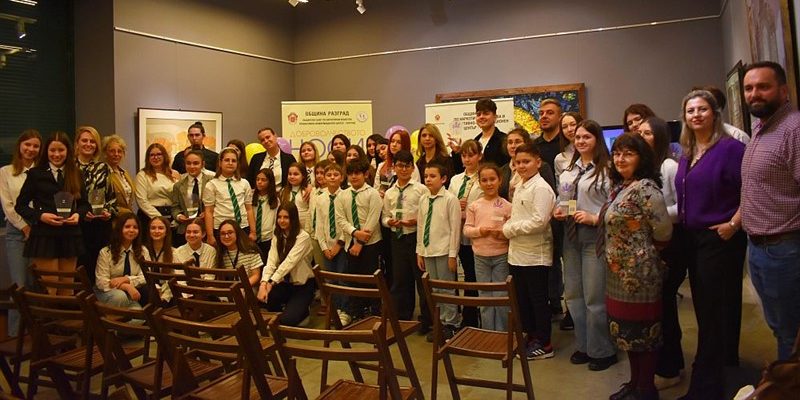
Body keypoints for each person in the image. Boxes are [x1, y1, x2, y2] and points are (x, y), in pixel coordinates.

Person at [675, 90, 746, 400]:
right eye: (691, 110)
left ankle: (707, 389)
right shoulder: (688, 151)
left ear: (715, 113)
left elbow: (751, 189)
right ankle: (709, 379)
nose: (696, 115)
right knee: (705, 313)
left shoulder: (731, 149)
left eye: (702, 109)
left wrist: (734, 224)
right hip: (693, 239)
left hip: (719, 238)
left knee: (715, 314)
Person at [603, 134, 672, 400]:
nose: (620, 159)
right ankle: (634, 383)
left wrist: (639, 255)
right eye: (617, 153)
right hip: (617, 274)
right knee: (627, 333)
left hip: (640, 275)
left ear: (641, 158)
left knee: (644, 334)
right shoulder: (620, 186)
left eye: (628, 154)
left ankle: (646, 389)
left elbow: (663, 232)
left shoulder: (646, 188)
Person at [741, 61, 800, 362]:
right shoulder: (761, 129)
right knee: (780, 327)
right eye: (749, 88)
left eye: (763, 87)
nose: (754, 94)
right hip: (759, 248)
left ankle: (789, 382)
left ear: (783, 91)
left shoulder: (794, 130)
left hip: (785, 249)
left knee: (790, 332)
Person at [554, 120, 616, 371]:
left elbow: (615, 204)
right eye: (577, 137)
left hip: (594, 236)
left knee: (594, 298)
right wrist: (559, 209)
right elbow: (563, 197)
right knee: (573, 296)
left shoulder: (608, 169)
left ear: (597, 140)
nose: (580, 141)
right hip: (570, 237)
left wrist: (595, 217)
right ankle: (584, 345)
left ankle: (602, 350)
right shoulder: (569, 169)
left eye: (586, 137)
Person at [638, 116, 684, 389]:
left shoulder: (669, 166)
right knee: (654, 310)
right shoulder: (644, 168)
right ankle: (661, 364)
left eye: (648, 133)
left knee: (666, 307)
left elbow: (682, 206)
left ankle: (670, 369)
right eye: (639, 132)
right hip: (649, 244)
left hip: (669, 244)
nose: (642, 136)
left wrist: (655, 215)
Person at [16, 131, 89, 295]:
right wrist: (41, 216)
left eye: (61, 150)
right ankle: (48, 313)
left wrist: (78, 215)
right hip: (44, 236)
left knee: (67, 288)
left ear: (68, 151)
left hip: (70, 235)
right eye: (52, 150)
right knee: (51, 287)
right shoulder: (35, 174)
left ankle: (65, 313)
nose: (56, 154)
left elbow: (85, 205)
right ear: (46, 151)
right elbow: (20, 206)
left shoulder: (76, 173)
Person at [502, 144, 555, 360]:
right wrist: (510, 224)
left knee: (538, 300)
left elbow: (539, 222)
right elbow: (518, 215)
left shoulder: (541, 188)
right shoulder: (521, 185)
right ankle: (532, 336)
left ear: (538, 162)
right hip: (517, 254)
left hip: (535, 256)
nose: (522, 166)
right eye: (518, 162)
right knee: (523, 299)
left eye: (526, 161)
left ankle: (545, 343)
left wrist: (510, 228)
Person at [0, 129, 41, 335]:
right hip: (16, 232)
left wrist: (35, 227)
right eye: (28, 145)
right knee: (20, 284)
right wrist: (24, 227)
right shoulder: (6, 172)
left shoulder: (41, 172)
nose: (31, 149)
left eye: (35, 146)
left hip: (40, 231)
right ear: (20, 146)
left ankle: (37, 336)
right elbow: (8, 205)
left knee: (36, 284)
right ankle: (16, 336)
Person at [463, 163, 512, 331]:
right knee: (484, 295)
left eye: (492, 179)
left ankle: (503, 333)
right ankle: (488, 331)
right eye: (484, 180)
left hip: (501, 256)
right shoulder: (474, 206)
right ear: (479, 182)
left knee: (501, 295)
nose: (489, 183)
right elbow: (466, 230)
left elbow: (511, 231)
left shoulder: (507, 205)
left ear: (500, 180)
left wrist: (502, 233)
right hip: (480, 257)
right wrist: (480, 231)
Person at [382, 150, 429, 325]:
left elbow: (427, 214)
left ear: (412, 168)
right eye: (400, 166)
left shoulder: (421, 189)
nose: (403, 169)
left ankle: (427, 320)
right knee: (401, 278)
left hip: (415, 237)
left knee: (421, 279)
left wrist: (416, 221)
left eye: (407, 166)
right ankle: (402, 317)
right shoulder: (390, 192)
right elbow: (385, 216)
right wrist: (389, 222)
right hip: (398, 238)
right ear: (394, 167)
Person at [416, 163, 462, 341]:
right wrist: (419, 251)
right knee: (434, 289)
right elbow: (421, 226)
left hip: (444, 251)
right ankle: (441, 322)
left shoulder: (450, 199)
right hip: (428, 250)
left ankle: (452, 323)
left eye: (432, 176)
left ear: (443, 179)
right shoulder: (423, 199)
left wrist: (452, 255)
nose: (428, 179)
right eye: (426, 176)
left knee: (446, 289)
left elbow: (455, 229)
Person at [532, 99, 567, 320]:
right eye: (542, 113)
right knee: (546, 258)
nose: (544, 116)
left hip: (562, 211)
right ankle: (549, 303)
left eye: (550, 113)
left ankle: (561, 305)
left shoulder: (566, 144)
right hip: (538, 211)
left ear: (560, 117)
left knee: (563, 259)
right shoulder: (535, 146)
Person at [335, 159, 383, 319]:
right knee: (354, 280)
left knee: (371, 279)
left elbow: (373, 220)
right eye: (350, 174)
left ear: (366, 174)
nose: (354, 177)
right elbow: (340, 219)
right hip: (351, 242)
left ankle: (375, 314)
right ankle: (356, 312)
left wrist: (360, 243)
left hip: (370, 244)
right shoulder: (343, 195)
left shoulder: (373, 194)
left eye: (357, 173)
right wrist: (355, 233)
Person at [257, 203, 316, 326]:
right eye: (279, 217)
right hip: (284, 284)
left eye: (286, 217)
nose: (282, 220)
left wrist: (271, 282)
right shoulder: (277, 236)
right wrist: (263, 283)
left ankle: (302, 311)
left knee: (288, 321)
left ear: (293, 218)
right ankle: (287, 309)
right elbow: (271, 262)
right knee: (267, 300)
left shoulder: (303, 237)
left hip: (302, 285)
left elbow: (289, 262)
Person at [448, 139, 484, 328]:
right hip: (457, 234)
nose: (467, 159)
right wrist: (456, 205)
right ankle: (459, 315)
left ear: (480, 156)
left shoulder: (483, 178)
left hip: (476, 234)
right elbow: (447, 203)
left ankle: (472, 317)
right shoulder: (456, 179)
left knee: (472, 275)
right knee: (460, 274)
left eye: (471, 155)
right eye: (464, 155)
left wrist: (467, 208)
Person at [75, 126, 116, 282]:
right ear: (77, 143)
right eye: (84, 140)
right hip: (77, 226)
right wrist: (80, 213)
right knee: (79, 271)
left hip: (100, 227)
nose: (88, 144)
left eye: (92, 141)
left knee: (98, 271)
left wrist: (108, 212)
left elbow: (111, 198)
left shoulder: (103, 168)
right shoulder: (70, 168)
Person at [314, 162, 349, 324]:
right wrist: (324, 247)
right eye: (329, 175)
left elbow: (347, 223)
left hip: (342, 246)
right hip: (327, 247)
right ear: (324, 178)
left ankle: (344, 311)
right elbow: (320, 225)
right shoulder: (320, 199)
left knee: (342, 278)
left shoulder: (346, 196)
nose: (332, 177)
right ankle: (334, 310)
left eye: (336, 175)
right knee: (330, 280)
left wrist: (339, 244)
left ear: (342, 177)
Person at [94, 212, 150, 309]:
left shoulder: (143, 251)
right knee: (120, 296)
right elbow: (101, 282)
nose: (131, 230)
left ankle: (114, 317)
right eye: (127, 227)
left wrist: (127, 279)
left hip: (130, 294)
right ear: (119, 229)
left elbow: (146, 277)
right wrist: (126, 286)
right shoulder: (106, 252)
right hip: (106, 292)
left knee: (138, 315)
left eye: (135, 227)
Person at [203, 148, 256, 246]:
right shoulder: (212, 185)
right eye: (227, 160)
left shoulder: (244, 183)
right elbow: (209, 211)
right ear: (220, 163)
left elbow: (249, 209)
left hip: (242, 227)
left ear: (237, 164)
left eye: (234, 161)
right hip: (221, 228)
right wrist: (210, 235)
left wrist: (253, 231)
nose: (230, 163)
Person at [449, 98, 509, 173]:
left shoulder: (504, 140)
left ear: (495, 117)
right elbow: (462, 171)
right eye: (478, 114)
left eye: (486, 113)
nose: (481, 117)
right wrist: (457, 152)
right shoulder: (475, 141)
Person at [171, 150, 212, 247]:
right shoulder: (178, 185)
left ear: (202, 164)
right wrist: (179, 216)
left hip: (208, 227)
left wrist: (207, 212)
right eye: (188, 163)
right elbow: (175, 207)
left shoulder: (211, 181)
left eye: (196, 163)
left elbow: (218, 203)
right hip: (186, 229)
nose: (192, 166)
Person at [135, 143, 179, 231]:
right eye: (152, 155)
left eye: (159, 154)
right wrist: (159, 219)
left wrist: (177, 216)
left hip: (172, 217)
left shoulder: (174, 174)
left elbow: (179, 198)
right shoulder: (142, 175)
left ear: (164, 156)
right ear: (148, 158)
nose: (155, 157)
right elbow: (142, 201)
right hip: (149, 217)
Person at [214, 219, 263, 287]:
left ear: (237, 233)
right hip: (229, 289)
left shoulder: (251, 250)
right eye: (223, 234)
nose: (226, 236)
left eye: (230, 232)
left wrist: (241, 287)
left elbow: (256, 276)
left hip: (249, 287)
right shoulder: (220, 253)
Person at [375, 130, 420, 195]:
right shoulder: (381, 166)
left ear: (405, 145)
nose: (394, 145)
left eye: (399, 142)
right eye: (392, 141)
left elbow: (415, 190)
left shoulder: (411, 166)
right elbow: (376, 188)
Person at [174, 217, 217, 282]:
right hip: (184, 288)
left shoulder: (211, 251)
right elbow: (181, 280)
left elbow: (210, 277)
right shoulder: (177, 252)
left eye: (195, 232)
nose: (191, 235)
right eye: (188, 232)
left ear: (203, 234)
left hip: (207, 287)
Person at [102, 135, 135, 215]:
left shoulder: (124, 173)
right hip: (112, 218)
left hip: (127, 217)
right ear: (105, 153)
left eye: (119, 151)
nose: (116, 154)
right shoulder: (102, 173)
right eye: (112, 151)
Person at [252, 168, 280, 262]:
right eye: (257, 179)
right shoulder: (251, 197)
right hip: (252, 238)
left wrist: (273, 238)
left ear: (270, 182)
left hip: (267, 239)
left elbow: (275, 220)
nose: (259, 182)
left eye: (263, 180)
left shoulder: (275, 200)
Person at [279, 163, 311, 234]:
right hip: (287, 229)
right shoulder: (283, 191)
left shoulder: (307, 192)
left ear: (303, 176)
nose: (292, 176)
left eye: (296, 174)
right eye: (290, 174)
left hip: (304, 228)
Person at [554, 112, 583, 178]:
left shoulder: (594, 153)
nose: (569, 129)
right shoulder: (560, 158)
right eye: (564, 127)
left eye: (573, 124)